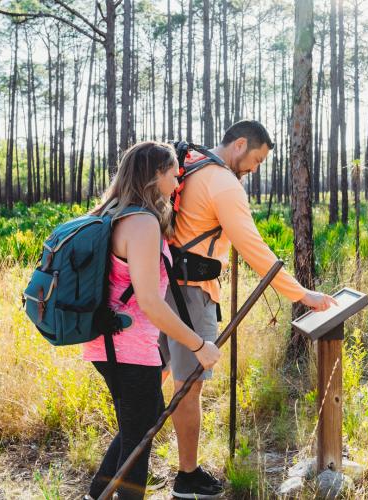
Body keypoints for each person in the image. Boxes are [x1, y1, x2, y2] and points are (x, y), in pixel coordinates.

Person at [159, 120, 336, 499]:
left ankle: (130, 455)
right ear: (239, 144)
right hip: (191, 294)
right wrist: (301, 294)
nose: (256, 169)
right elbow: (255, 249)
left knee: (153, 378)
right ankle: (187, 477)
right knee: (188, 388)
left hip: (163, 288)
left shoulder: (190, 165)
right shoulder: (223, 181)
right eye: (256, 159)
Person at [82, 141, 221, 500]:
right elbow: (149, 302)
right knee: (139, 441)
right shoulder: (142, 223)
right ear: (155, 174)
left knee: (139, 425)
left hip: (108, 343)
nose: (178, 182)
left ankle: (96, 494)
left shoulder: (112, 211)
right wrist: (198, 345)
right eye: (174, 172)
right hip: (128, 348)